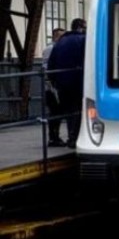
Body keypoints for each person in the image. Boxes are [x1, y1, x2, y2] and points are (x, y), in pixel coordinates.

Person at [47, 18, 87, 149]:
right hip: (78, 82)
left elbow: (51, 64)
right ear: (80, 27)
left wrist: (54, 81)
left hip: (61, 84)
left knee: (69, 111)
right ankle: (74, 138)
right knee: (78, 111)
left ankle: (69, 137)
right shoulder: (84, 40)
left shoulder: (60, 42)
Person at [42, 28, 66, 146]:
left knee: (57, 112)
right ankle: (53, 137)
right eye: (61, 36)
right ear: (55, 37)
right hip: (52, 87)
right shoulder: (51, 49)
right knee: (55, 112)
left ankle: (55, 136)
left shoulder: (54, 49)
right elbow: (47, 67)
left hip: (53, 86)